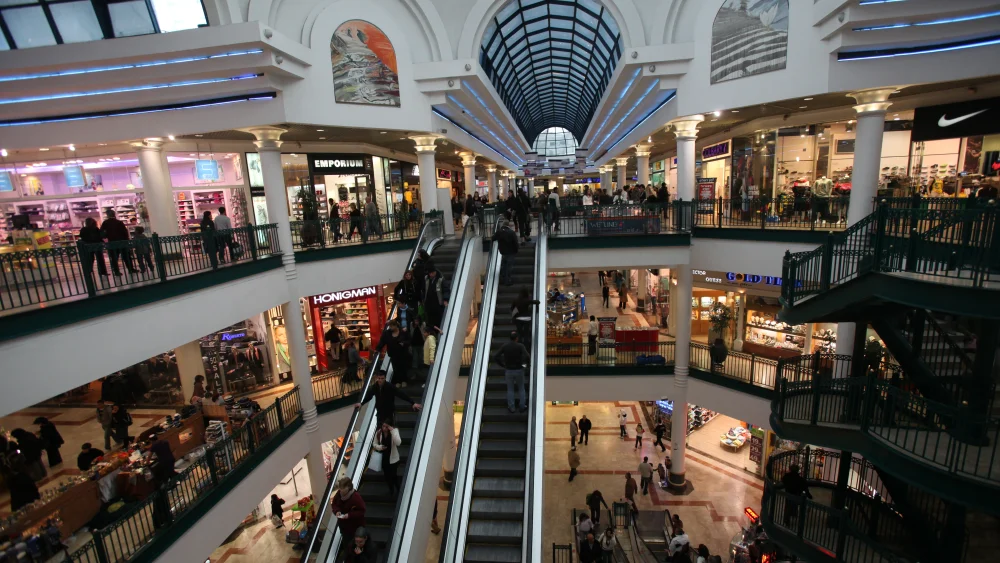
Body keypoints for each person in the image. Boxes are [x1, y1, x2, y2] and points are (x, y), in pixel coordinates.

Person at [356, 370, 422, 426]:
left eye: (382, 378)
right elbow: (369, 396)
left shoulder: (389, 387)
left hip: (389, 413)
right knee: (380, 430)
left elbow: (401, 394)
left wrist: (412, 403)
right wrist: (361, 404)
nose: (380, 380)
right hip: (380, 412)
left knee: (388, 429)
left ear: (385, 378)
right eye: (379, 378)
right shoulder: (375, 386)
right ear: (376, 378)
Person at [492, 331, 529, 413]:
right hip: (519, 370)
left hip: (509, 370)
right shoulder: (520, 346)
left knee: (510, 389)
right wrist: (524, 365)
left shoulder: (505, 346)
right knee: (521, 389)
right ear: (517, 338)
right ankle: (522, 406)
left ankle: (511, 407)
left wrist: (502, 365)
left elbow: (496, 356)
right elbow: (527, 356)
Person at [149, 438, 176, 528]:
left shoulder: (154, 445)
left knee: (168, 474)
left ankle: (172, 484)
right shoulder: (165, 441)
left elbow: (149, 457)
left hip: (164, 462)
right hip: (171, 459)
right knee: (171, 472)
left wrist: (146, 462)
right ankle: (173, 483)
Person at [331, 477, 367, 543]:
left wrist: (349, 515)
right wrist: (337, 511)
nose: (341, 490)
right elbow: (334, 504)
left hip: (354, 527)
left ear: (348, 487)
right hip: (343, 526)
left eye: (343, 488)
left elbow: (362, 510)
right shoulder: (339, 494)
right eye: (340, 488)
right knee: (347, 541)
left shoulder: (355, 497)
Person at [101, 209, 137, 275]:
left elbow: (102, 233)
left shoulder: (105, 223)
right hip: (122, 242)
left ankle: (116, 271)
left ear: (107, 215)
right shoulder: (119, 222)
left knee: (114, 258)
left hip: (112, 242)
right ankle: (130, 269)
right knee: (126, 256)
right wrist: (126, 240)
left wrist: (105, 239)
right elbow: (125, 232)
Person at [376, 321, 412, 387]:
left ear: (396, 326)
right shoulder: (386, 333)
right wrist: (378, 349)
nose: (390, 327)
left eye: (392, 326)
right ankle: (398, 381)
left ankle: (404, 380)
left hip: (402, 353)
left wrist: (404, 343)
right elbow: (382, 342)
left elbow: (409, 341)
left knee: (403, 367)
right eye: (389, 326)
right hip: (393, 354)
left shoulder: (403, 332)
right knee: (395, 368)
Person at [374, 421, 402, 497]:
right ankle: (391, 489)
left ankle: (398, 489)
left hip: (393, 459)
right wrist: (379, 447)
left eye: (387, 427)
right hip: (384, 458)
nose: (385, 428)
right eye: (383, 426)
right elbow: (374, 444)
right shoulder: (379, 432)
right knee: (387, 476)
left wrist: (393, 431)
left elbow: (398, 443)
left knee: (394, 475)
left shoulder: (394, 431)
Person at [423, 267, 448, 332]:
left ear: (435, 272)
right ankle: (432, 332)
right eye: (430, 273)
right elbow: (423, 290)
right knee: (430, 320)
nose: (431, 275)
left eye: (432, 273)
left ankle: (438, 332)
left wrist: (445, 299)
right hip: (428, 303)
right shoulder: (426, 279)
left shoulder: (440, 279)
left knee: (438, 319)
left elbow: (446, 289)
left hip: (437, 303)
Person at [496, 219, 519, 285]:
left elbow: (493, 238)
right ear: (508, 225)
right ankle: (507, 280)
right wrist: (516, 250)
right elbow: (515, 242)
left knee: (504, 265)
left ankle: (503, 278)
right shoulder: (512, 232)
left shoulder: (499, 232)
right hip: (511, 252)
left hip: (503, 252)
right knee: (509, 266)